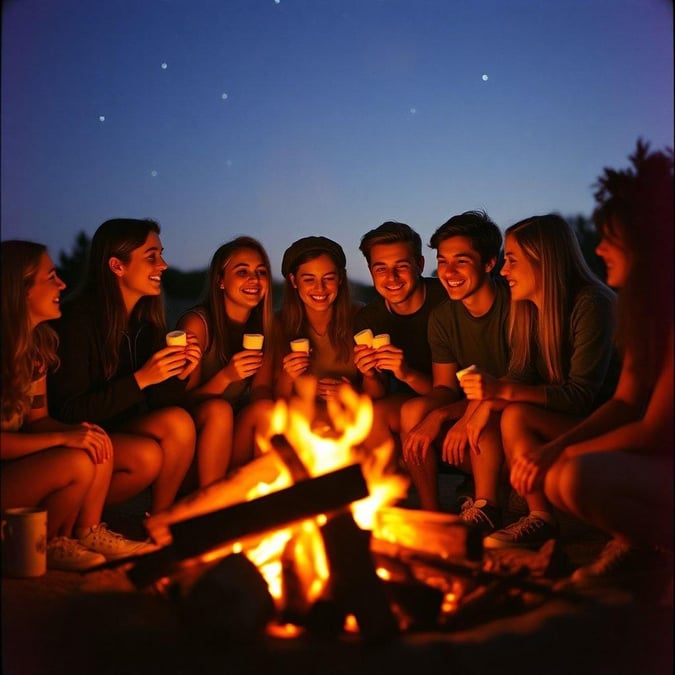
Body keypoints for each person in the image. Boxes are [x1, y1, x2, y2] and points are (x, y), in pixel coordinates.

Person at [515, 144, 672, 585]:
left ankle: (647, 547)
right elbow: (626, 401)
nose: (599, 248)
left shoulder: (598, 305)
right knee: (563, 475)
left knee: (574, 475)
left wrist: (561, 451)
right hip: (655, 457)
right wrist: (551, 454)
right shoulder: (642, 310)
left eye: (610, 238)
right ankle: (640, 547)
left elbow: (652, 429)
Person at [460, 213, 619, 549]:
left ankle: (540, 517)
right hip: (567, 418)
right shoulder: (529, 310)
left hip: (604, 424)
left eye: (513, 260)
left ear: (542, 259)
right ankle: (487, 506)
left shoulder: (592, 304)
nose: (504, 271)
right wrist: (486, 402)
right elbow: (519, 374)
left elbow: (580, 397)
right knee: (491, 410)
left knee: (514, 412)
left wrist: (500, 393)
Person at [1, 240, 150, 570]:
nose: (62, 284)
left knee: (96, 444)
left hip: (15, 469)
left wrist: (79, 432)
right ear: (21, 289)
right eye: (51, 276)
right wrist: (62, 438)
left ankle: (84, 532)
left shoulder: (35, 347)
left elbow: (38, 419)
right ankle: (37, 543)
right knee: (76, 462)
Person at [48, 218, 198, 517]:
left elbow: (158, 403)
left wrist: (179, 373)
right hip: (78, 437)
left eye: (161, 254)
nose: (163, 265)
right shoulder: (76, 322)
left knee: (178, 421)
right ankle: (68, 518)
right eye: (151, 257)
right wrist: (141, 379)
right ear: (117, 266)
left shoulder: (146, 321)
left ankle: (161, 520)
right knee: (147, 457)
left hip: (118, 430)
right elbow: (69, 412)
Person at [399, 211, 511, 520]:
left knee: (483, 419)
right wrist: (436, 414)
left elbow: (519, 382)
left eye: (461, 261)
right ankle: (432, 514)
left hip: (514, 417)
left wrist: (449, 415)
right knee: (412, 411)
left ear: (489, 263)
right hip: (475, 412)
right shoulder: (444, 317)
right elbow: (445, 387)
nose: (448, 272)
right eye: (443, 261)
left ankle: (488, 506)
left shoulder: (515, 305)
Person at [176, 236, 275, 485]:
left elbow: (260, 393)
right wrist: (227, 377)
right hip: (189, 447)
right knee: (219, 411)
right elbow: (180, 403)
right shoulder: (197, 324)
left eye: (261, 272)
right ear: (220, 280)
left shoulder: (264, 330)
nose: (254, 280)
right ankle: (212, 507)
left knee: (265, 410)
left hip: (228, 442)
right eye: (242, 271)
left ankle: (263, 497)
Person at [353, 221, 446, 453]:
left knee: (413, 411)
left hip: (459, 398)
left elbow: (451, 388)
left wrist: (407, 374)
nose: (391, 277)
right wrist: (370, 375)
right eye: (381, 268)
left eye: (401, 266)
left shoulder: (446, 300)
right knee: (373, 415)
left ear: (420, 264)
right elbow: (377, 393)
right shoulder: (368, 319)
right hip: (407, 405)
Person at [275, 236, 361, 405]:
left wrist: (351, 393)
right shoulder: (277, 323)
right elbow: (270, 397)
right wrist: (288, 377)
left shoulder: (360, 316)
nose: (320, 288)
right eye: (309, 279)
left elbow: (379, 390)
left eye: (328, 278)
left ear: (341, 278)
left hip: (350, 418)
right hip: (300, 421)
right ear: (294, 281)